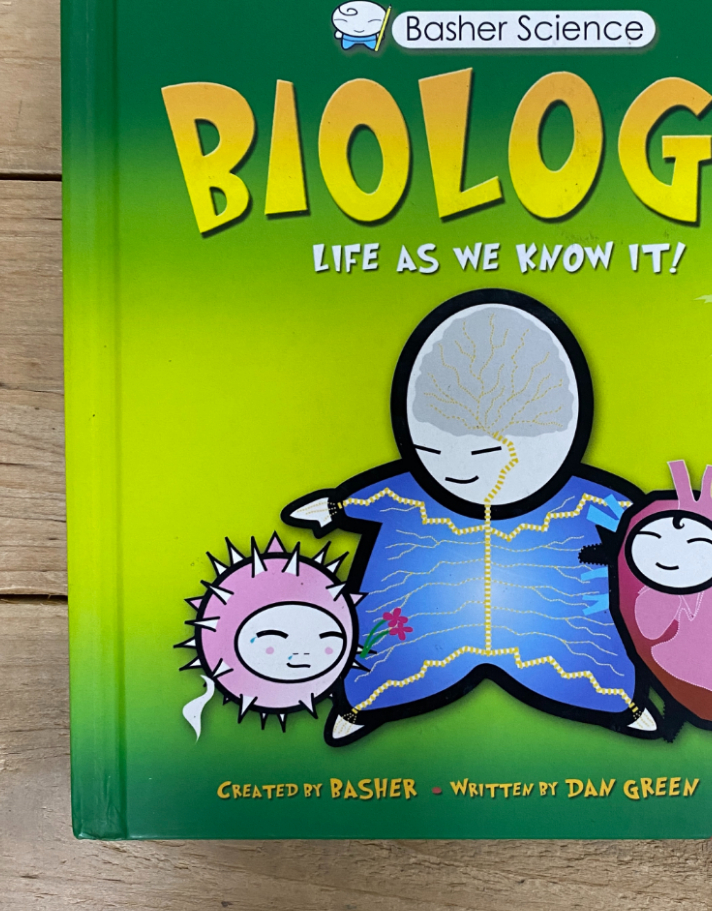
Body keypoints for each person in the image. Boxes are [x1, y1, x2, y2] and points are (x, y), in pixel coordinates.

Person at [282, 289, 658, 745]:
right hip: (416, 627)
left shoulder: (577, 499)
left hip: (561, 630)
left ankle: (623, 703)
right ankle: (362, 703)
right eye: (433, 450)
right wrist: (336, 507)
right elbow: (383, 494)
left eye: (483, 455)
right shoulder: (409, 493)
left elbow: (637, 518)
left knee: (589, 663)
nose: (457, 470)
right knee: (385, 660)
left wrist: (661, 530)